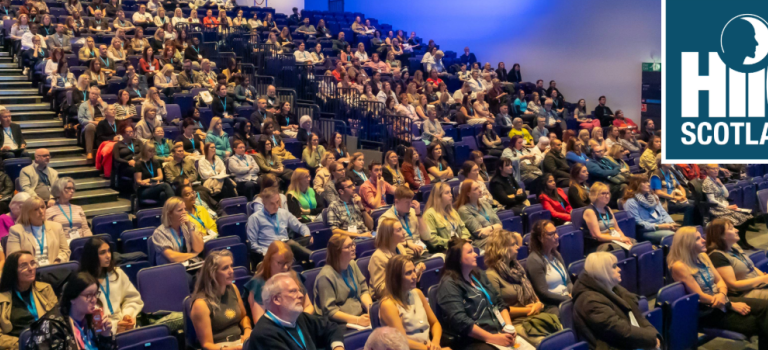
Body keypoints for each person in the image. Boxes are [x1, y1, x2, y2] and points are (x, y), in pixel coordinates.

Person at [668, 227, 768, 349]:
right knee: (759, 323)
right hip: (708, 310)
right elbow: (700, 296)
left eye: (701, 237)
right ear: (687, 243)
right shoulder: (679, 266)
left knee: (766, 309)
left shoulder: (703, 256)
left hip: (722, 300)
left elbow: (720, 281)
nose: (704, 240)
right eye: (698, 239)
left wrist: (722, 295)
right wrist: (729, 304)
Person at [436, 237, 523, 350]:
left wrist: (509, 326)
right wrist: (492, 338)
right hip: (472, 341)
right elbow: (461, 321)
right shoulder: (448, 285)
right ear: (458, 259)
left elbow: (499, 303)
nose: (476, 254)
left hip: (497, 331)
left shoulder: (478, 274)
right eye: (470, 252)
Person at [572, 252, 661, 349]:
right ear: (602, 271)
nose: (619, 269)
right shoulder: (590, 302)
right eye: (614, 266)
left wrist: (653, 335)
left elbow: (638, 317)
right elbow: (621, 330)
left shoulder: (614, 289)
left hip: (630, 342)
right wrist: (650, 339)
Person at [484, 229, 555, 344]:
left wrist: (538, 303)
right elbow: (499, 309)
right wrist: (529, 310)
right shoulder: (491, 275)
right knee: (545, 342)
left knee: (560, 332)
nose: (518, 247)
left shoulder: (517, 268)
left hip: (534, 315)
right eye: (513, 244)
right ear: (502, 248)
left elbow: (531, 291)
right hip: (515, 322)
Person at [249, 271, 345, 350]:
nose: (301, 295)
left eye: (299, 290)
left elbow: (332, 328)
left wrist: (338, 346)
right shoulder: (263, 334)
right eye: (293, 291)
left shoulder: (298, 317)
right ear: (276, 299)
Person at [24, 272, 115, 350]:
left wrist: (105, 335)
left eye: (95, 294)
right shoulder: (52, 326)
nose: (94, 300)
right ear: (72, 298)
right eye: (88, 295)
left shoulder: (92, 319)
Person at [379, 255, 446, 350]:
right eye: (408, 273)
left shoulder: (418, 293)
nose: (414, 276)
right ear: (396, 278)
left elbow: (435, 323)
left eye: (414, 270)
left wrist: (435, 342)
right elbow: (402, 341)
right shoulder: (388, 305)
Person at [78, 236, 143, 333]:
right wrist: (114, 327)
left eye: (109, 251)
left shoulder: (117, 273)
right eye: (102, 252)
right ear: (92, 256)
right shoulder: (82, 282)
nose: (108, 255)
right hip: (101, 332)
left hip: (124, 326)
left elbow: (132, 299)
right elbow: (86, 317)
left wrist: (127, 315)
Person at [190, 250, 251, 350]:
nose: (231, 271)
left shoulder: (233, 288)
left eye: (231, 266)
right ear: (212, 273)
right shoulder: (201, 304)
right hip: (221, 347)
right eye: (225, 268)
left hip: (240, 342)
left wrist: (247, 331)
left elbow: (244, 317)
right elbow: (207, 344)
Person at [313, 234, 374, 327]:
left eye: (353, 244)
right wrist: (357, 320)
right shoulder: (325, 276)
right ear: (336, 252)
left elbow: (363, 290)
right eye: (348, 247)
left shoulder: (352, 264)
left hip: (360, 315)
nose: (353, 248)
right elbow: (330, 311)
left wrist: (370, 310)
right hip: (338, 323)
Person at [0, 250, 55, 348]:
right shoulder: (2, 299)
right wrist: (23, 343)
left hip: (48, 342)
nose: (31, 269)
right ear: (12, 271)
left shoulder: (45, 289)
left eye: (33, 263)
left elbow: (58, 319)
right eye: (24, 266)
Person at [707, 218, 768, 299]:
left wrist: (764, 277)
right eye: (731, 229)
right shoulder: (717, 256)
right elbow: (733, 285)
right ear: (721, 235)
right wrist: (762, 279)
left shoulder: (734, 246)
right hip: (744, 293)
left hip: (757, 286)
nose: (737, 230)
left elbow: (750, 267)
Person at [247, 187, 312, 263]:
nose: (276, 206)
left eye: (277, 202)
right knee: (291, 244)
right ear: (264, 203)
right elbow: (252, 244)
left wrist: (307, 234)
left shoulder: (283, 213)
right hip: (269, 253)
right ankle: (314, 256)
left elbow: (301, 226)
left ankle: (314, 257)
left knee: (291, 245)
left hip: (287, 250)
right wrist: (266, 253)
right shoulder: (254, 218)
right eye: (272, 203)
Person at [702, 164, 756, 249]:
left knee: (748, 217)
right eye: (713, 169)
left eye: (717, 168)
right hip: (716, 209)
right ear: (707, 170)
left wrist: (721, 185)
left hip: (724, 206)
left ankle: (743, 241)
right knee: (740, 218)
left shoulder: (716, 180)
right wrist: (726, 207)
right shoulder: (707, 183)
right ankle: (740, 243)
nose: (716, 170)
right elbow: (711, 200)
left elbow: (726, 195)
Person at [6, 196, 69, 266]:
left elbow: (65, 251)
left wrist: (56, 263)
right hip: (29, 271)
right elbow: (13, 257)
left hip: (54, 269)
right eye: (36, 209)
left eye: (42, 207)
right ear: (28, 212)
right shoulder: (16, 231)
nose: (41, 211)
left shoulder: (57, 227)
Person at [525, 220, 572, 314]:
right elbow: (543, 293)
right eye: (551, 234)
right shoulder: (534, 260)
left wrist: (573, 294)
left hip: (567, 299)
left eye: (556, 232)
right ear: (540, 238)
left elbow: (568, 281)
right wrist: (567, 299)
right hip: (551, 304)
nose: (557, 237)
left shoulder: (556, 255)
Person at [621, 175, 678, 244]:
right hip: (646, 231)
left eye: (648, 181)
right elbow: (638, 222)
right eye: (644, 182)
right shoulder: (630, 202)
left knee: (685, 233)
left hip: (662, 225)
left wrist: (671, 223)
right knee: (673, 236)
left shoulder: (653, 197)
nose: (648, 184)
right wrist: (659, 226)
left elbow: (664, 213)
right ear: (636, 184)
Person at [151, 197, 203, 266]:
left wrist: (190, 227)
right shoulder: (159, 233)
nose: (184, 212)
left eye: (184, 208)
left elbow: (199, 249)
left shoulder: (189, 226)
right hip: (171, 270)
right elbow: (173, 257)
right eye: (180, 210)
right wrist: (193, 255)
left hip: (189, 265)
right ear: (169, 214)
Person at [583, 182, 635, 252]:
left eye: (608, 193)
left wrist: (623, 238)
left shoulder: (608, 209)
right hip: (599, 244)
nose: (607, 196)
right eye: (603, 193)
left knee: (633, 243)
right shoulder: (590, 211)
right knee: (619, 249)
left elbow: (617, 229)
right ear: (595, 195)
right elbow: (598, 236)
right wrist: (620, 239)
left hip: (614, 239)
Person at [456, 179, 502, 249]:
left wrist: (490, 228)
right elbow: (480, 233)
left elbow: (499, 224)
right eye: (475, 189)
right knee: (504, 241)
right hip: (480, 242)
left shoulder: (484, 203)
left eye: (479, 187)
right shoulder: (463, 210)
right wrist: (496, 228)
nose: (480, 190)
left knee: (514, 237)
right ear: (468, 194)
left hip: (495, 236)